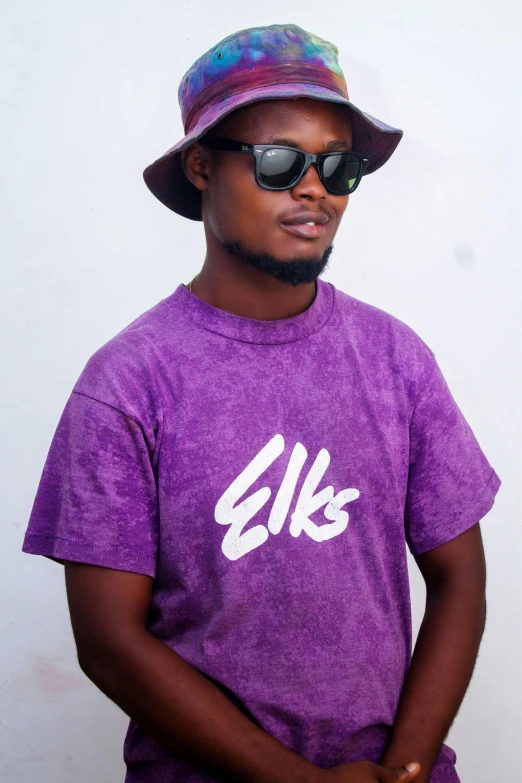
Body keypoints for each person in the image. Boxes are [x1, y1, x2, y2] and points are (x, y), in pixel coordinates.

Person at [22, 23, 501, 783]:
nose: (315, 188)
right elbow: (109, 640)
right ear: (203, 167)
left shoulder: (394, 358)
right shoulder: (128, 383)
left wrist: (406, 766)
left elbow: (459, 577)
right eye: (281, 162)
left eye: (338, 167)